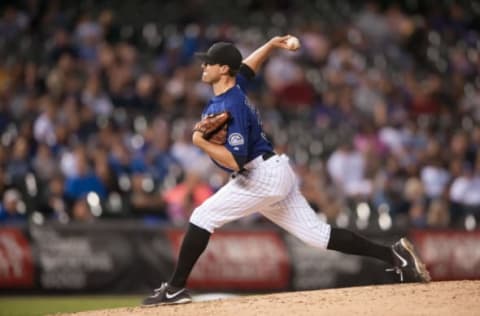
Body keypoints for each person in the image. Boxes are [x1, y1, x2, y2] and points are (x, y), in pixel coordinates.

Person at [142, 35, 430, 306]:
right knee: (316, 236)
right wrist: (270, 44)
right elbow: (247, 67)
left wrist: (199, 142)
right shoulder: (233, 85)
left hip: (259, 176)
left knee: (203, 216)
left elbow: (235, 161)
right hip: (273, 171)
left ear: (223, 69)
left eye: (209, 62)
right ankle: (395, 255)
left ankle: (175, 288)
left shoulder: (230, 105)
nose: (203, 65)